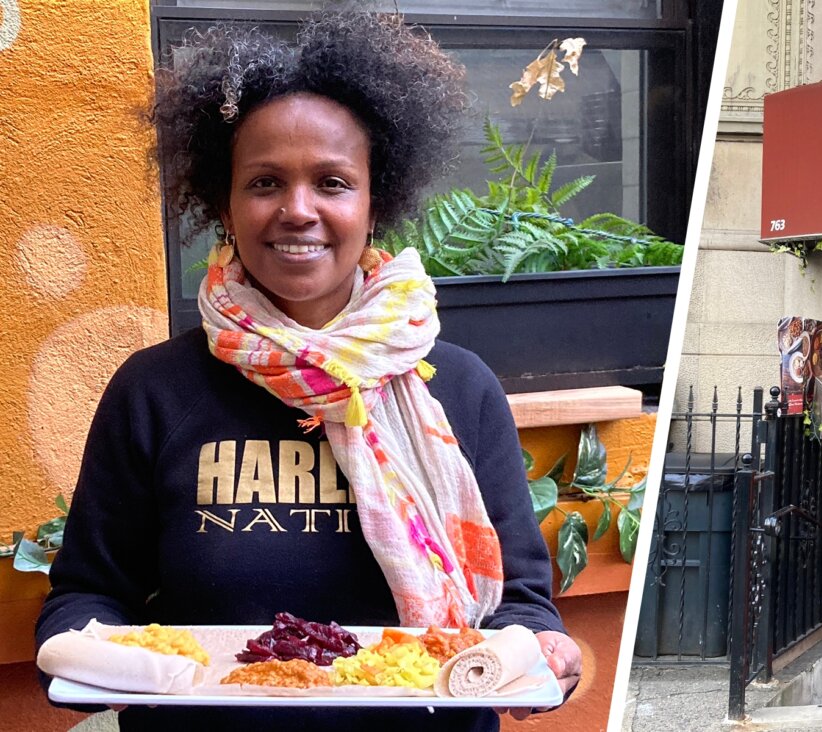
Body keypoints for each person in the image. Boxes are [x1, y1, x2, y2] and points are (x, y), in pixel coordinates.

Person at [36, 12, 580, 731]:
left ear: (374, 202)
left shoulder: (460, 387)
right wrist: (91, 660)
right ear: (224, 205)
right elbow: (87, 598)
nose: (298, 210)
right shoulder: (155, 391)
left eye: (332, 181)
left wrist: (538, 654)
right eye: (265, 182)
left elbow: (518, 607)